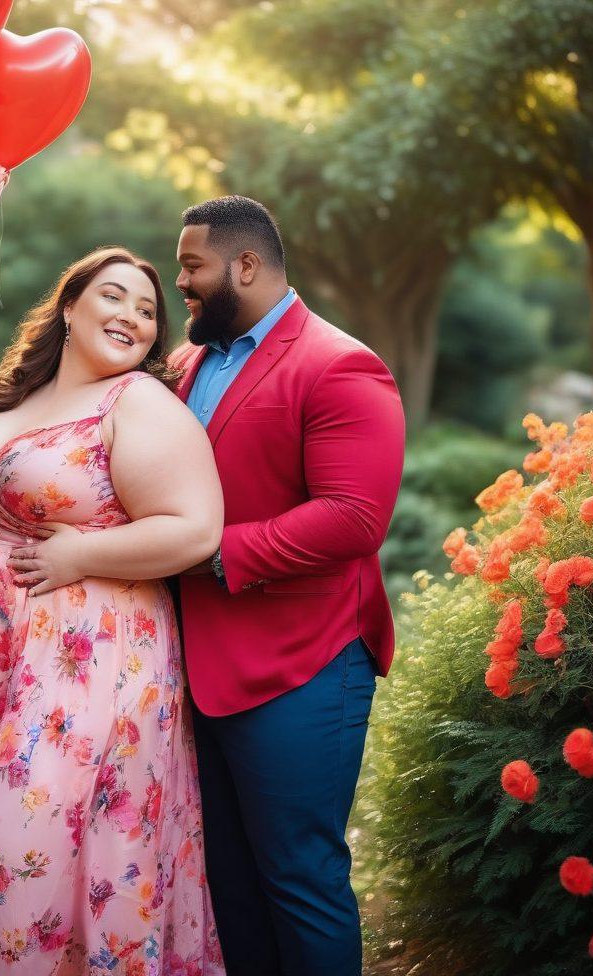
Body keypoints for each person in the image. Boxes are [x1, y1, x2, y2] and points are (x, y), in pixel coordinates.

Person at [0, 248, 226, 976]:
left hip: (80, 664)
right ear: (68, 307)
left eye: (147, 310)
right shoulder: (6, 405)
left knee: (17, 844)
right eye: (113, 296)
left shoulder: (137, 403)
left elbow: (197, 530)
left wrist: (80, 555)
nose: (131, 316)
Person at [167, 196, 406, 976]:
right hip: (197, 666)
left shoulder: (340, 364)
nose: (180, 282)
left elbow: (353, 518)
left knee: (300, 879)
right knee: (229, 884)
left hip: (302, 665)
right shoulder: (187, 365)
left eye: (192, 266)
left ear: (245, 265)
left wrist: (206, 553)